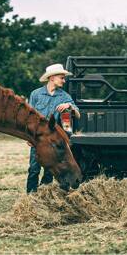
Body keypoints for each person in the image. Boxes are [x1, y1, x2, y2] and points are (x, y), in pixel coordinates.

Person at [26, 63, 80, 193]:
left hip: (52, 140)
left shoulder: (64, 96)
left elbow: (77, 114)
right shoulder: (36, 94)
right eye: (61, 77)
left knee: (49, 169)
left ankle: (45, 193)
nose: (64, 80)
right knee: (34, 168)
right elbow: (28, 117)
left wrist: (69, 106)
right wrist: (28, 136)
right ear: (51, 78)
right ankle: (30, 196)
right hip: (37, 138)